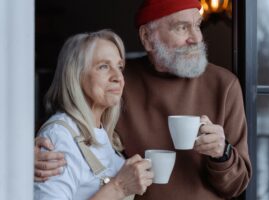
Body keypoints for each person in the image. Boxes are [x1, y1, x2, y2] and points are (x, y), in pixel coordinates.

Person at [34, 0, 252, 199]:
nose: (196, 38)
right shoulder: (117, 83)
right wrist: (29, 154)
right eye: (182, 27)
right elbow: (68, 124)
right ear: (147, 38)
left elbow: (236, 186)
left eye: (197, 25)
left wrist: (222, 153)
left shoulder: (224, 85)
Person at [34, 29, 153, 200]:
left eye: (119, 67)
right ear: (76, 75)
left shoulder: (103, 133)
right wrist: (119, 187)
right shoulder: (59, 137)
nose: (118, 76)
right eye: (104, 66)